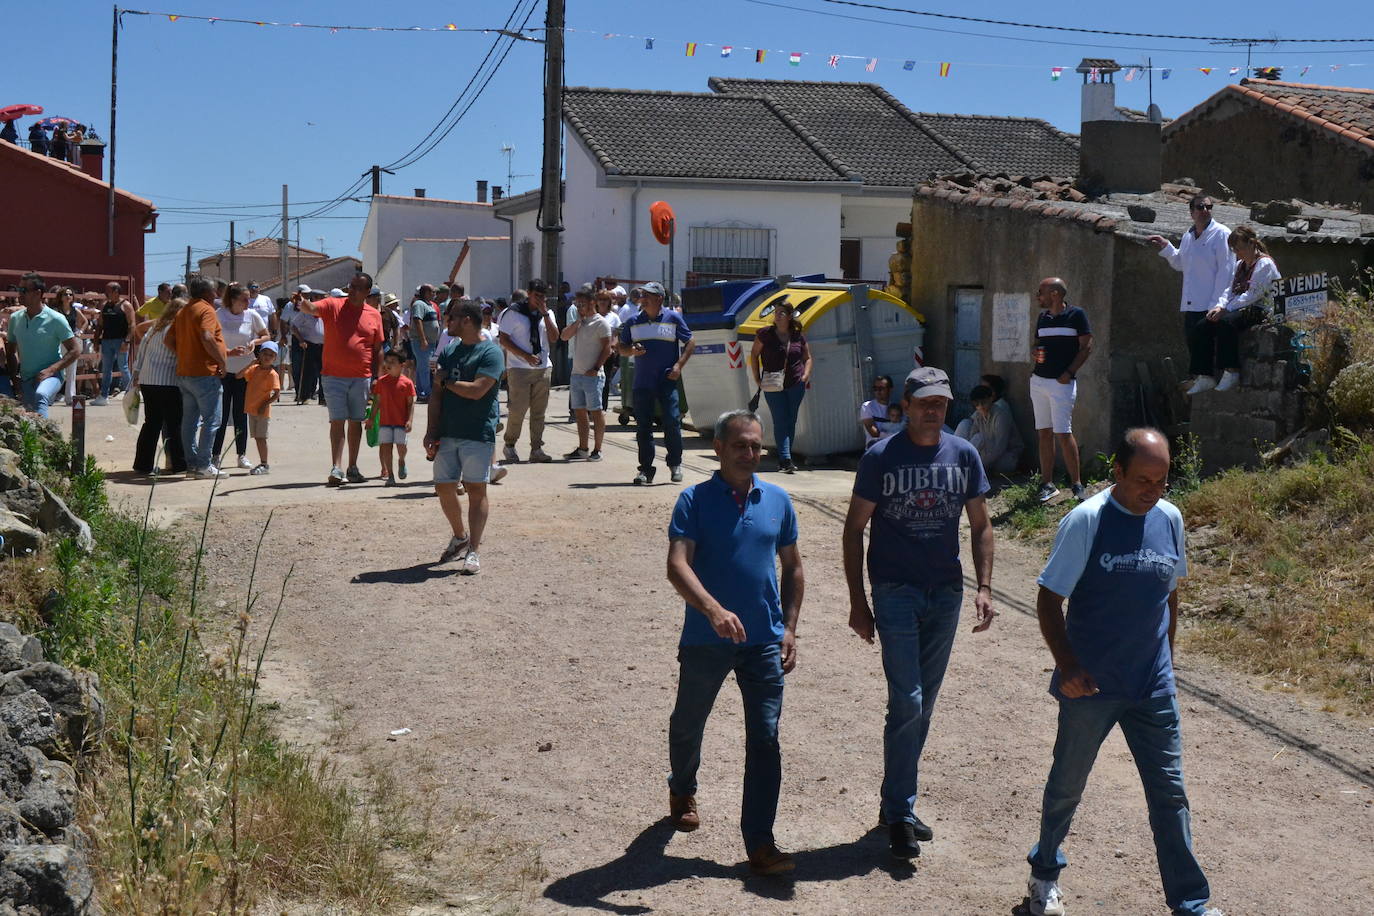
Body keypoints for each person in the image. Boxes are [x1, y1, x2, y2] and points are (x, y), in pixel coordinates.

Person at [1023, 428, 1223, 916]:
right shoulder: (1087, 521)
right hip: (1091, 684)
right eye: (1142, 480)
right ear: (1116, 471)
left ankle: (1190, 903)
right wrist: (1067, 665)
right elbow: (1050, 598)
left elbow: (1170, 594)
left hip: (1152, 686)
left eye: (1162, 481)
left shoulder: (1170, 519)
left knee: (1170, 793)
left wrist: (1167, 661)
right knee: (1068, 785)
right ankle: (1044, 876)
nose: (1152, 491)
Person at [841, 366, 996, 860]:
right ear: (904, 406)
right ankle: (902, 810)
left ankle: (895, 805)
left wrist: (985, 587)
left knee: (922, 703)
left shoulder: (963, 454)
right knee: (907, 700)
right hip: (895, 591)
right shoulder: (881, 457)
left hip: (945, 592)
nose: (933, 411)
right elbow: (853, 530)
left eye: (942, 403)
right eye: (925, 402)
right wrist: (858, 602)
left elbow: (981, 525)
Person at [664, 408, 803, 877]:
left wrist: (790, 626)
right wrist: (713, 609)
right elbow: (677, 566)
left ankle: (760, 842)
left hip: (763, 640)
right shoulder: (694, 501)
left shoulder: (778, 501)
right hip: (706, 637)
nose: (750, 453)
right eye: (740, 445)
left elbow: (794, 568)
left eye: (756, 445)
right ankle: (682, 787)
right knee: (688, 723)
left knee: (765, 738)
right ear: (718, 448)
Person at [425, 299, 505, 575]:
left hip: (477, 431)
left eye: (452, 317)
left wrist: (446, 382)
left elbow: (477, 390)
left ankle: (474, 550)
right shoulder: (449, 350)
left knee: (476, 489)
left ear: (467, 320)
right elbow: (436, 395)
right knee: (443, 486)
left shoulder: (491, 353)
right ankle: (460, 536)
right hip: (448, 431)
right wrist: (431, 430)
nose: (448, 322)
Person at [295, 273, 386, 486]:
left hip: (361, 377)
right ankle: (336, 467)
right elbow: (312, 309)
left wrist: (377, 377)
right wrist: (302, 302)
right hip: (333, 376)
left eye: (356, 287)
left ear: (366, 292)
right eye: (350, 286)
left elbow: (378, 349)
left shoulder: (374, 315)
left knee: (355, 423)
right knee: (337, 421)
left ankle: (352, 467)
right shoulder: (334, 305)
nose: (351, 290)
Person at [1186, 225, 1280, 395]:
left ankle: (1232, 371)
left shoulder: (1264, 264)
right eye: (1235, 250)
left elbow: (1253, 295)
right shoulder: (1239, 265)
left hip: (1260, 308)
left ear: (1252, 244)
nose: (1239, 253)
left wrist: (1226, 310)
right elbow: (1228, 291)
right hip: (1239, 306)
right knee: (1201, 327)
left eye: (1241, 248)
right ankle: (1204, 376)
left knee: (1226, 323)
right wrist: (1220, 306)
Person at [617, 281, 695, 485]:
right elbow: (621, 347)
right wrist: (631, 351)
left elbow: (690, 342)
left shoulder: (673, 318)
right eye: (642, 295)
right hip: (642, 383)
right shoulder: (633, 321)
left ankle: (675, 464)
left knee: (671, 422)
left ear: (659, 298)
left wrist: (679, 366)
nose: (643, 298)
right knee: (643, 427)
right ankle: (645, 470)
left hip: (667, 382)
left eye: (648, 295)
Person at [1030, 278, 1092, 504]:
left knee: (1063, 433)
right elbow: (1037, 343)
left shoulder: (1077, 315)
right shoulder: (1043, 317)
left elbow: (1086, 347)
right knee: (1044, 433)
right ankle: (1047, 484)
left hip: (1061, 384)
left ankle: (1076, 484)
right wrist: (1036, 353)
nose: (1038, 296)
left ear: (1055, 294)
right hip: (1038, 381)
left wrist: (1069, 372)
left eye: (1041, 292)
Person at [1148, 195, 1232, 363]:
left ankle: (1207, 380)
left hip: (1211, 304)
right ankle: (1200, 380)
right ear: (1191, 213)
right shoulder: (1188, 235)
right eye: (1200, 207)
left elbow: (1227, 271)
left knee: (1209, 347)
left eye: (1209, 207)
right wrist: (1167, 246)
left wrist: (1218, 303)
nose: (1205, 211)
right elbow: (1181, 263)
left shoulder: (1222, 234)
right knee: (1194, 345)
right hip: (1192, 304)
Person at [165, 276, 229, 478]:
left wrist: (185, 354)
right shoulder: (206, 309)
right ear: (207, 293)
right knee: (212, 420)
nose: (217, 294)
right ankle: (204, 465)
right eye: (214, 291)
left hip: (185, 373)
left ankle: (192, 465)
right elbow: (207, 336)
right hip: (204, 373)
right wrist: (221, 361)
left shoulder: (184, 311)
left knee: (189, 422)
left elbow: (168, 340)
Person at [497, 279, 558, 464]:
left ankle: (536, 448)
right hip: (519, 368)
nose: (540, 299)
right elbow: (504, 340)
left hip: (543, 367)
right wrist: (525, 356)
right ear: (529, 293)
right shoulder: (513, 313)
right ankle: (510, 445)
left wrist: (545, 314)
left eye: (543, 296)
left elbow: (554, 337)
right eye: (536, 295)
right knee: (518, 409)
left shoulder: (547, 313)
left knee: (539, 412)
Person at [749, 300, 812, 474]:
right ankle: (785, 459)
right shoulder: (765, 334)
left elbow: (807, 358)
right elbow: (754, 355)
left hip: (795, 384)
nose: (777, 315)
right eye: (776, 312)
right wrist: (756, 378)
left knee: (790, 420)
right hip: (772, 384)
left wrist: (805, 376)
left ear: (789, 316)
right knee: (780, 420)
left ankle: (785, 458)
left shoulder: (798, 336)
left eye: (781, 313)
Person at [5, 272, 79, 419]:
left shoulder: (56, 319)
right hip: (26, 378)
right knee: (29, 419)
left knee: (41, 396)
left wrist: (51, 370)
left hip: (51, 376)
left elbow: (75, 350)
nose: (19, 294)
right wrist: (14, 378)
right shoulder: (15, 319)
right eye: (19, 290)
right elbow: (10, 351)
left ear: (38, 293)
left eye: (24, 290)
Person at [214, 283, 270, 470]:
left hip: (244, 372)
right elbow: (212, 341)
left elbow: (266, 335)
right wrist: (229, 352)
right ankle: (215, 455)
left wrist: (254, 341)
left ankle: (241, 454)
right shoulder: (219, 315)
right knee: (220, 416)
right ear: (232, 300)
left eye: (249, 298)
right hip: (222, 371)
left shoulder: (251, 315)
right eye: (244, 299)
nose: (248, 302)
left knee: (240, 414)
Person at [130, 297, 188, 475]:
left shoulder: (155, 328)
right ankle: (178, 464)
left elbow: (141, 352)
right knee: (174, 424)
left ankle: (142, 464)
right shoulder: (174, 329)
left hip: (148, 380)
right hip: (167, 381)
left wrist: (136, 373)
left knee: (151, 423)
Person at [560, 286, 611, 460]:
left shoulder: (601, 323)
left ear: (592, 303)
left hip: (594, 376)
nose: (579, 306)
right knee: (579, 413)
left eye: (582, 303)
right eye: (577, 303)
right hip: (577, 374)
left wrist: (596, 368)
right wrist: (577, 323)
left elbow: (607, 348)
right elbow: (564, 337)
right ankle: (583, 448)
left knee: (596, 412)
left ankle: (598, 450)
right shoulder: (580, 323)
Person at [954, 384, 1023, 474]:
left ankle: (968, 467)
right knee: (966, 425)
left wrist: (979, 464)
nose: (981, 407)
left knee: (1002, 466)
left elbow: (1000, 447)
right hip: (988, 450)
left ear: (991, 399)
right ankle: (958, 462)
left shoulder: (1000, 415)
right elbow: (972, 437)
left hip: (1008, 453)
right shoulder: (978, 415)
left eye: (983, 402)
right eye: (977, 404)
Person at [373, 349, 416, 486]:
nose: (389, 364)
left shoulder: (407, 383)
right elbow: (377, 402)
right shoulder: (381, 382)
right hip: (385, 421)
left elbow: (410, 404)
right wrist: (371, 419)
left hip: (400, 422)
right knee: (386, 448)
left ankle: (401, 461)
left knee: (401, 447)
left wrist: (409, 420)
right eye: (387, 361)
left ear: (402, 365)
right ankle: (390, 475)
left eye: (393, 362)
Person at [238, 341, 281, 475]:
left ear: (275, 358)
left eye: (271, 355)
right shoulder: (254, 369)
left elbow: (277, 393)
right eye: (265, 354)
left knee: (261, 437)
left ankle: (264, 464)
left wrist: (264, 404)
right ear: (260, 355)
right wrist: (251, 364)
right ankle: (262, 463)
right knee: (257, 437)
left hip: (262, 411)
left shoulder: (272, 374)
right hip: (252, 409)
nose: (267, 357)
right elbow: (238, 376)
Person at [92, 281, 136, 405]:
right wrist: (96, 341)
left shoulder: (126, 305)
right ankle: (103, 396)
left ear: (116, 292)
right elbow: (100, 325)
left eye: (108, 291)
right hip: (106, 341)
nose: (106, 293)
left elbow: (132, 325)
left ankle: (131, 395)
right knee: (106, 369)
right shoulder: (105, 305)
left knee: (124, 367)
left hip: (120, 341)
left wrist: (126, 341)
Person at [290, 288, 326, 404]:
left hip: (323, 345)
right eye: (318, 298)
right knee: (307, 371)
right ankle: (304, 396)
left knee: (324, 372)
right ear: (313, 298)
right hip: (309, 344)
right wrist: (301, 340)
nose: (320, 300)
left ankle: (323, 398)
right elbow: (294, 326)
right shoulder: (305, 312)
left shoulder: (325, 312)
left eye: (322, 298)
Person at [409, 284, 440, 402]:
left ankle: (422, 391)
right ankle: (425, 393)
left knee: (424, 366)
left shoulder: (430, 305)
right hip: (421, 341)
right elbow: (417, 320)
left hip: (430, 342)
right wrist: (423, 339)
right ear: (426, 292)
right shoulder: (419, 304)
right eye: (432, 292)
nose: (434, 294)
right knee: (424, 367)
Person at [859, 375, 895, 448]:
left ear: (890, 390)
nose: (878, 391)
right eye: (875, 388)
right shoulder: (867, 406)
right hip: (874, 448)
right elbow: (874, 433)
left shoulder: (895, 408)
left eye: (881, 388)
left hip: (892, 448)